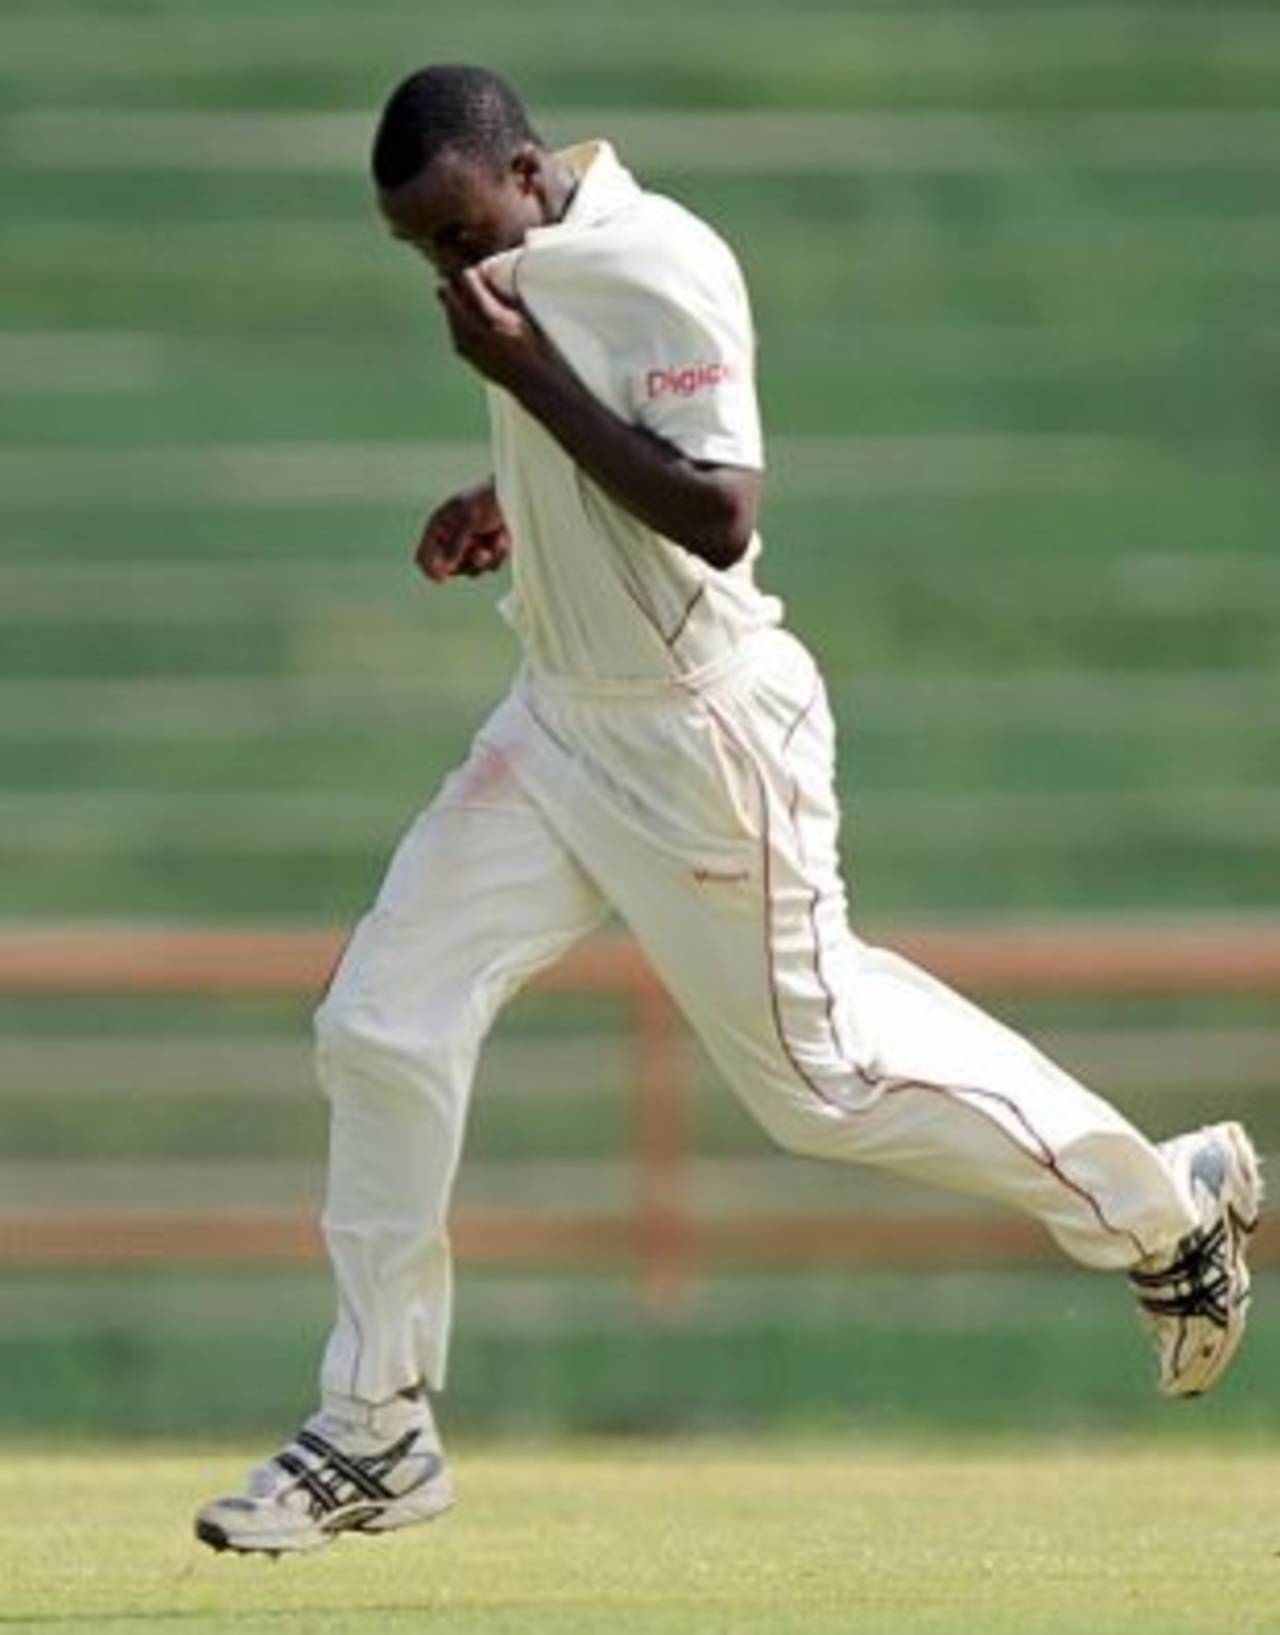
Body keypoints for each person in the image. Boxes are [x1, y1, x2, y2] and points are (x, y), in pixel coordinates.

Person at [195, 65, 1261, 1556]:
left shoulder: (659, 255)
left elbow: (719, 510)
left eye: (457, 228)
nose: (451, 266)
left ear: (523, 167)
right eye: (420, 249)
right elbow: (603, 443)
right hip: (561, 723)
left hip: (702, 738)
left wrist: (524, 388)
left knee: (816, 1085)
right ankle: (378, 1425)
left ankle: (1166, 1211)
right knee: (379, 1024)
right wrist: (506, 492)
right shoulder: (530, 272)